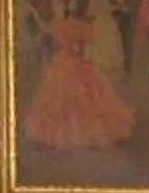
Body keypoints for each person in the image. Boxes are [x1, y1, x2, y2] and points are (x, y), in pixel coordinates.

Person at [24, 10, 134, 151]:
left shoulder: (59, 26)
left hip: (61, 62)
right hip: (74, 61)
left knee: (61, 96)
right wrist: (75, 53)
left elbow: (53, 46)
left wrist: (62, 52)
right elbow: (82, 50)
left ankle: (62, 128)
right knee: (83, 96)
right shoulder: (80, 27)